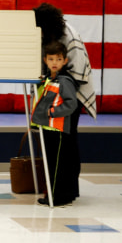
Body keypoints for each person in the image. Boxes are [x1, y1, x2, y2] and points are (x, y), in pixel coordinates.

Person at [31, 41, 81, 206]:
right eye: (51, 59)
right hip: (49, 127)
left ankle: (58, 197)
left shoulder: (64, 81)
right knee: (52, 163)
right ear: (45, 60)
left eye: (58, 59)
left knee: (58, 165)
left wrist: (52, 112)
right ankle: (54, 195)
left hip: (58, 129)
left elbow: (71, 104)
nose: (54, 62)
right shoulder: (49, 79)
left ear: (65, 61)